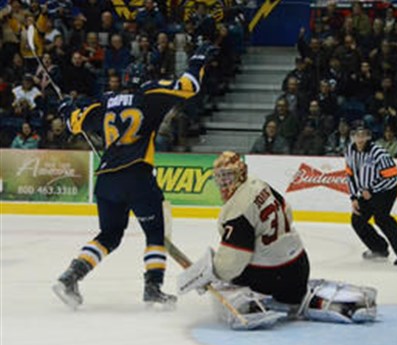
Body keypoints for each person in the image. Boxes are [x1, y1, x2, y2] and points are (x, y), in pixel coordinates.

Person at [52, 43, 220, 309]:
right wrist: (197, 61)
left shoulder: (103, 103)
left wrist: (65, 107)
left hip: (106, 180)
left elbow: (73, 122)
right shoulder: (149, 95)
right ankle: (153, 288)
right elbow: (189, 87)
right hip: (138, 177)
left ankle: (70, 277)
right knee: (155, 233)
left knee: (109, 235)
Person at [177, 152, 378, 329]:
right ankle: (308, 298)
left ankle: (249, 303)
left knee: (225, 278)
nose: (224, 183)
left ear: (241, 173)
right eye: (220, 177)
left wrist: (209, 275)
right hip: (299, 266)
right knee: (289, 286)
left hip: (268, 279)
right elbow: (287, 213)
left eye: (229, 176)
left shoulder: (236, 209)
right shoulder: (260, 185)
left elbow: (232, 263)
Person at [344, 126, 397, 268]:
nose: (359, 138)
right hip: (366, 192)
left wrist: (372, 189)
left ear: (368, 136)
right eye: (356, 135)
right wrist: (353, 197)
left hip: (385, 191)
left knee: (382, 218)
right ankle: (379, 248)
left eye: (362, 135)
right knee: (357, 220)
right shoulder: (349, 151)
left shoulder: (379, 153)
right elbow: (350, 175)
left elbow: (393, 177)